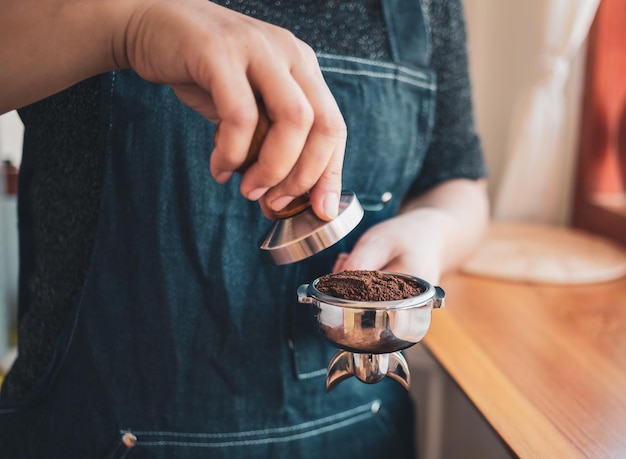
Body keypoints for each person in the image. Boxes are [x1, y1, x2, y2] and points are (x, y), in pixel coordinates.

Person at [0, 0, 489, 457]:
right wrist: (130, 25)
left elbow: (457, 181)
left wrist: (434, 232)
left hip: (360, 429)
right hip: (91, 429)